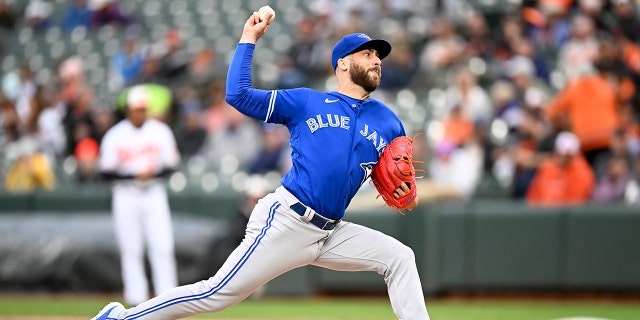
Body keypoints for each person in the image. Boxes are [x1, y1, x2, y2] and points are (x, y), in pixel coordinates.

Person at [92, 9, 430, 320]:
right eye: (368, 54)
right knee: (215, 293)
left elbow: (387, 174)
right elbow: (237, 95)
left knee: (399, 257)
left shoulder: (388, 121)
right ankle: (120, 317)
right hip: (287, 220)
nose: (377, 61)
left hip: (332, 231)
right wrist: (248, 39)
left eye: (378, 56)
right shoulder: (306, 101)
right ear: (342, 63)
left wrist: (399, 187)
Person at [98, 85, 181, 307]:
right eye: (136, 109)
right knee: (130, 248)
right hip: (126, 194)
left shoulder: (160, 131)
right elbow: (105, 172)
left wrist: (150, 174)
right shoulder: (116, 135)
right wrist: (135, 176)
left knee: (162, 246)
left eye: (143, 109)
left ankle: (168, 297)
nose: (140, 113)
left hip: (154, 192)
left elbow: (172, 165)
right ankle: (136, 299)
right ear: (128, 110)